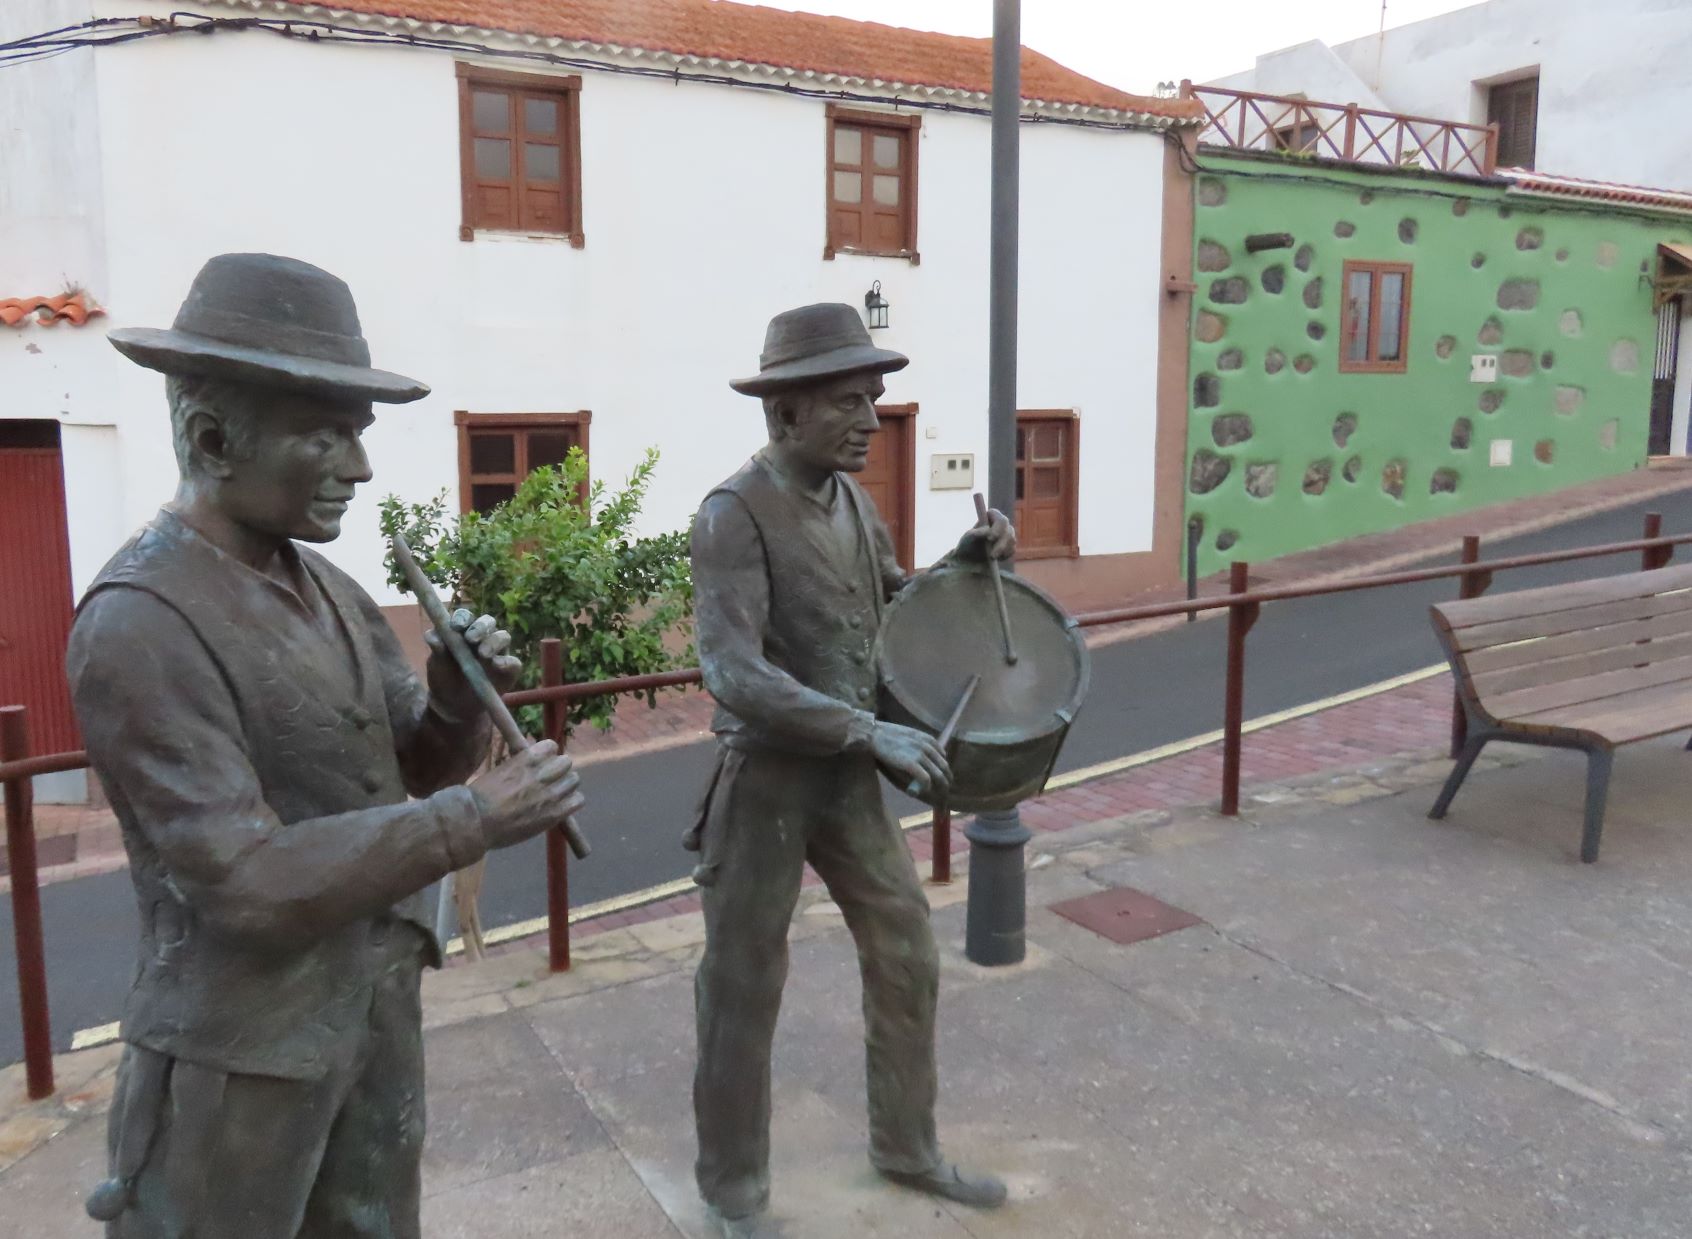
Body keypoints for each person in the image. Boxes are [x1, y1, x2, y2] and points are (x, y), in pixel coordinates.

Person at [68, 252, 584, 1238]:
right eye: (327, 435)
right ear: (215, 438)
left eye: (359, 434)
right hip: (243, 1052)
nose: (361, 468)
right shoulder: (141, 623)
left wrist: (452, 706)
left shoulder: (329, 589)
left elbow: (402, 774)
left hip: (368, 1009)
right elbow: (244, 882)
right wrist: (472, 818)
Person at [687, 302, 1015, 1237]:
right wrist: (864, 731)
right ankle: (733, 1185)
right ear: (784, 413)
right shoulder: (732, 514)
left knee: (906, 946)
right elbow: (732, 670)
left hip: (846, 777)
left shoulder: (852, 502)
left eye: (873, 397)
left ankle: (906, 1145)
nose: (872, 417)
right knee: (744, 980)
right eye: (848, 401)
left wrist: (963, 561)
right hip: (767, 786)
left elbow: (891, 604)